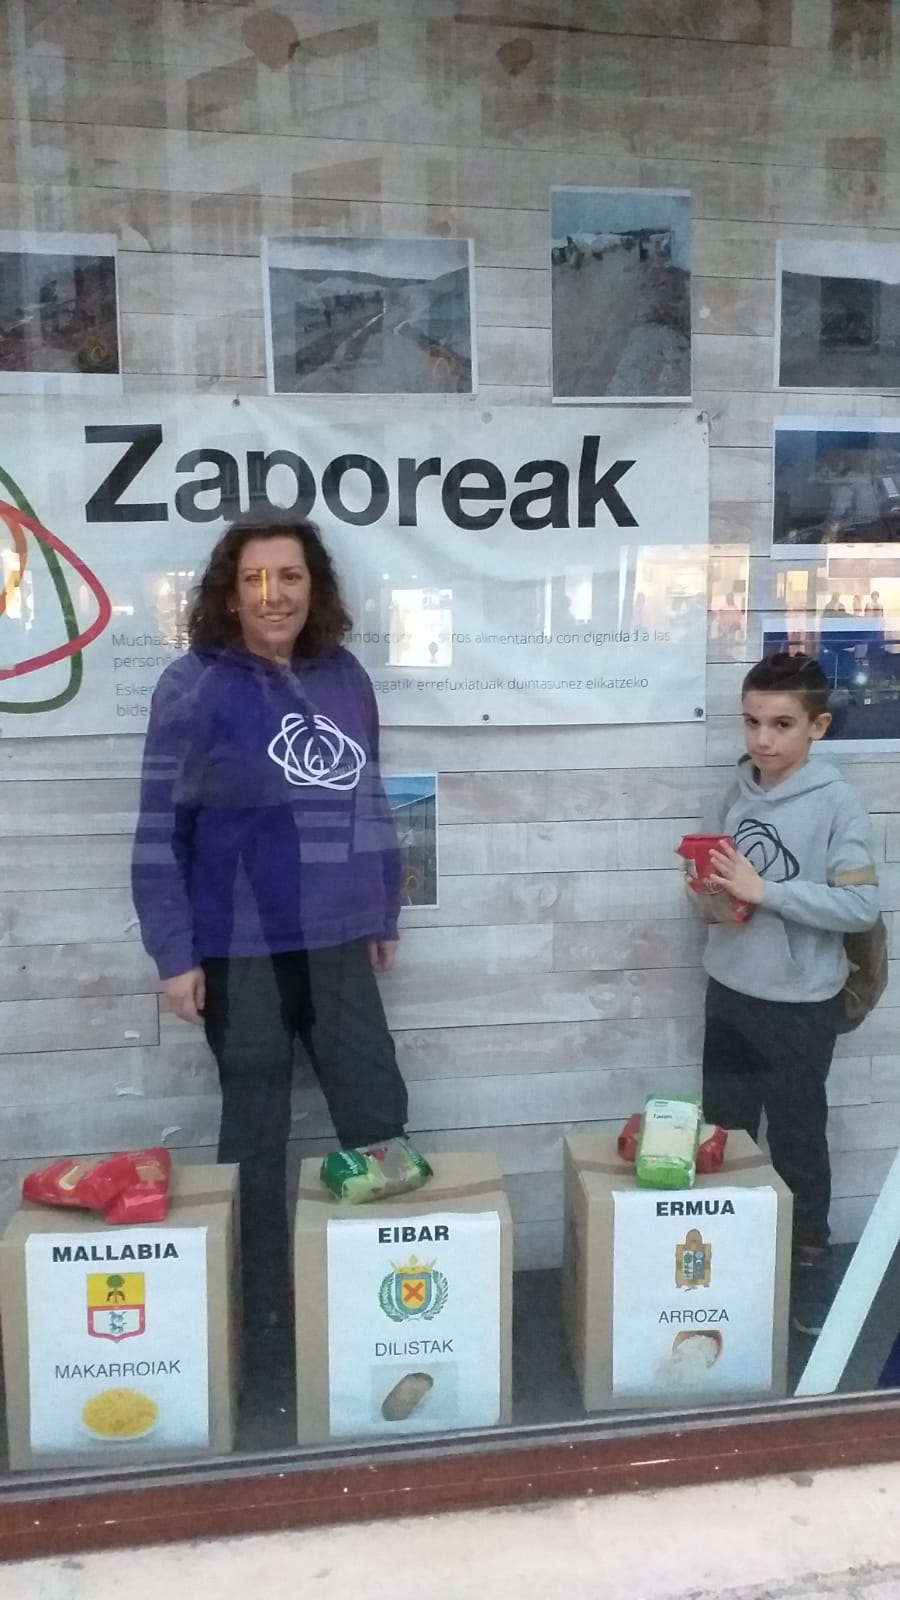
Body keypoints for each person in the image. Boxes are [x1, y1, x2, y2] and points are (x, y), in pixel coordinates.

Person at [132, 513, 408, 1343]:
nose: (274, 593)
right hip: (238, 946)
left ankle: (383, 1291)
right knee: (254, 1128)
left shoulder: (344, 676)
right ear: (228, 591)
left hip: (335, 938)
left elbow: (370, 798)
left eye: (290, 576)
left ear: (313, 587)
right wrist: (174, 955)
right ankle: (263, 1309)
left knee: (376, 1109)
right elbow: (159, 832)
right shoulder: (192, 685)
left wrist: (381, 904)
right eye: (255, 579)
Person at [687, 653, 879, 1337]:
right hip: (730, 990)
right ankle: (733, 1265)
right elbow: (721, 890)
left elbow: (861, 908)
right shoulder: (735, 792)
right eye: (751, 721)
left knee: (797, 1139)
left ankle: (810, 1270)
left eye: (781, 724)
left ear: (818, 726)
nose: (762, 739)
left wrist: (762, 891)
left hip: (802, 1006)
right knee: (726, 1134)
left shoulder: (838, 803)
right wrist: (710, 895)